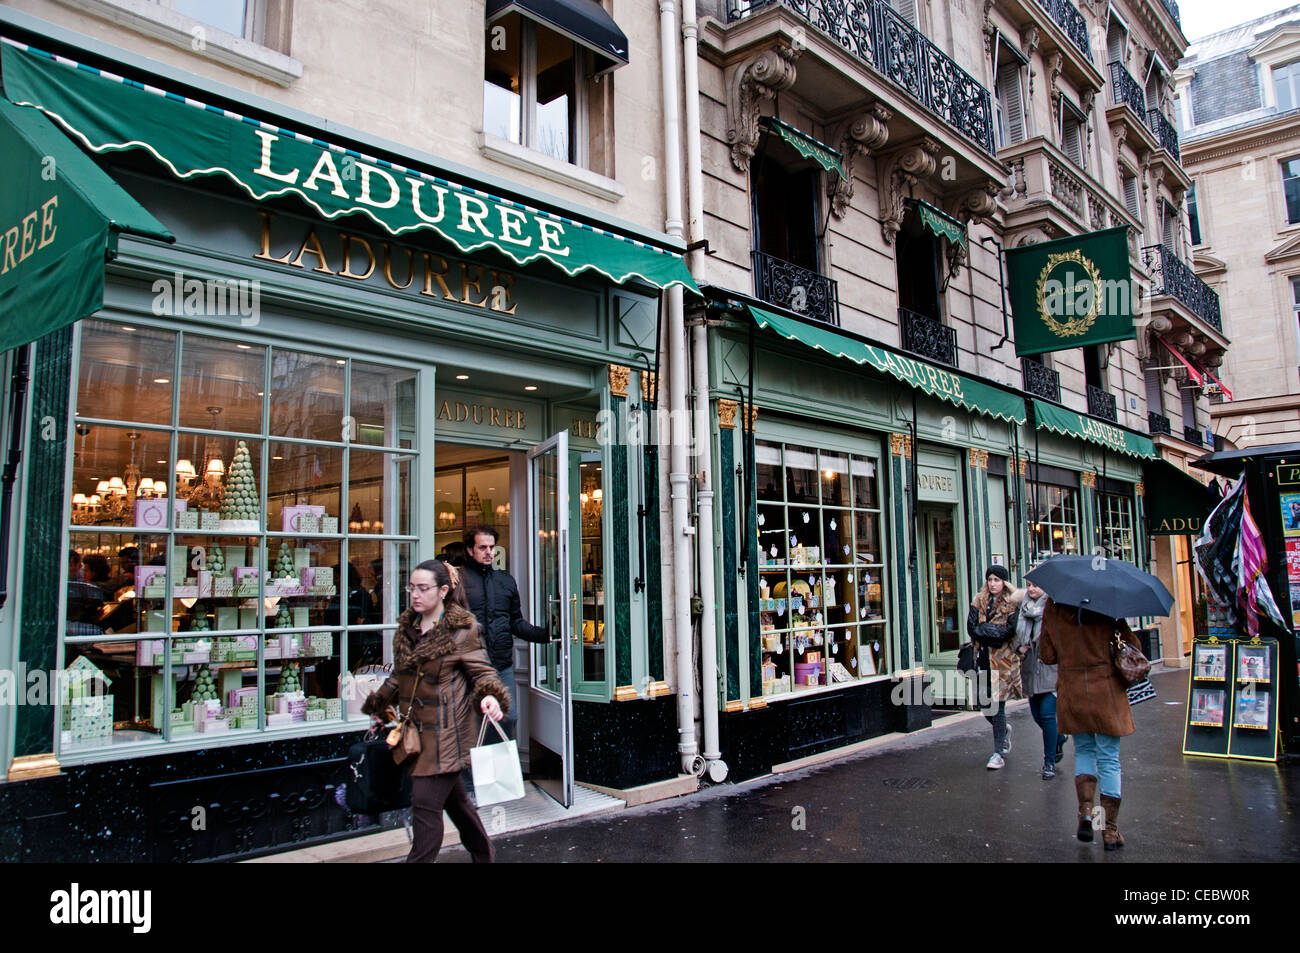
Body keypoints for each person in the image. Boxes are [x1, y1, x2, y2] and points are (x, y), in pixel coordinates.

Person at [361, 559, 509, 863]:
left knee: (425, 807)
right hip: (416, 734)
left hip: (447, 735)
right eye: (411, 587)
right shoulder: (407, 628)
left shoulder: (462, 628)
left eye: (423, 588)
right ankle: (485, 855)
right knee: (458, 805)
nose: (415, 594)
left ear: (442, 591)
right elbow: (398, 676)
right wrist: (379, 707)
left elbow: (482, 672)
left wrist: (491, 696)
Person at [1039, 599, 1141, 850]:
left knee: (1084, 751)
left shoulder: (1053, 606)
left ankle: (1086, 813)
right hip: (1105, 694)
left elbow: (1047, 655)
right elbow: (1133, 646)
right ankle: (1109, 830)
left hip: (1073, 694)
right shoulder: (1107, 605)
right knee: (1108, 759)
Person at [460, 525, 549, 741]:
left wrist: (547, 634)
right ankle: (473, 773)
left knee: (508, 718)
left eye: (492, 547)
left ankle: (498, 770)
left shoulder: (505, 581)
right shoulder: (457, 581)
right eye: (483, 547)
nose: (489, 552)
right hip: (468, 668)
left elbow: (516, 623)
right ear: (470, 550)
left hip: (501, 665)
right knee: (470, 724)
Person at [967, 565, 1023, 770]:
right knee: (984, 705)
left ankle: (998, 753)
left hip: (1002, 662)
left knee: (997, 706)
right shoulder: (979, 600)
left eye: (997, 580)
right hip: (981, 658)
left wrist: (984, 630)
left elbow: (1008, 632)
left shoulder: (1012, 603)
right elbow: (971, 628)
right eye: (990, 579)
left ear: (1004, 582)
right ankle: (1003, 731)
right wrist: (987, 631)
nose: (992, 584)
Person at [1013, 581, 1067, 780]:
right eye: (1028, 585)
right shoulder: (1022, 608)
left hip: (1050, 667)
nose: (1031, 589)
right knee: (1037, 716)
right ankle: (1059, 738)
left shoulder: (1053, 609)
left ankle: (1049, 762)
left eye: (1036, 585)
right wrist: (1019, 648)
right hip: (1029, 667)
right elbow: (1015, 637)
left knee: (1046, 715)